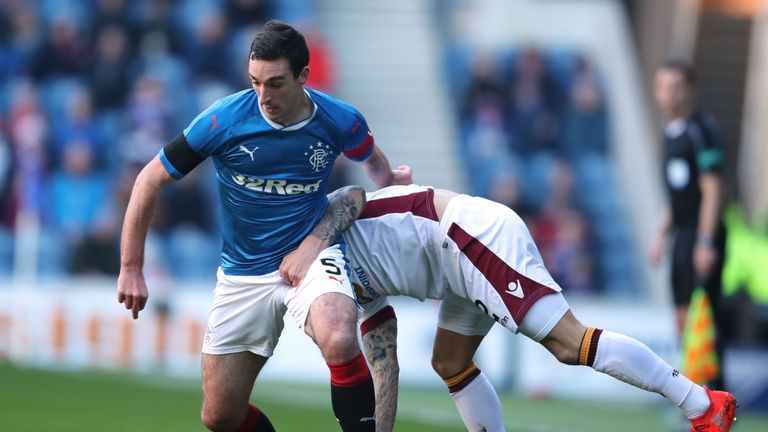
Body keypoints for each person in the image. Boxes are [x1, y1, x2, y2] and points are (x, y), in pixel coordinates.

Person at [117, 20, 410, 432]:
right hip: (242, 272)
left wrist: (392, 184)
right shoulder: (223, 121)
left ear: (303, 76)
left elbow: (375, 164)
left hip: (310, 253)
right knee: (220, 416)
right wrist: (131, 266)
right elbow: (149, 178)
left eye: (275, 83)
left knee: (339, 334)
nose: (263, 96)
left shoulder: (338, 119)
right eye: (254, 81)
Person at [292, 184, 737, 432]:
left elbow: (354, 193)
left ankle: (702, 404)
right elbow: (384, 365)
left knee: (567, 342)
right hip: (456, 267)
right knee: (449, 361)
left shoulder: (322, 231)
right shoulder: (334, 279)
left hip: (469, 237)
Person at [650, 61, 727, 389]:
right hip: (683, 235)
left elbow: (712, 188)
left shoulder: (701, 130)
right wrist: (661, 234)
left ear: (689, 92)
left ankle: (716, 399)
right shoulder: (670, 133)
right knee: (682, 318)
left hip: (701, 235)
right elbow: (678, 195)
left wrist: (705, 242)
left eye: (675, 87)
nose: (667, 95)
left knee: (702, 321)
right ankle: (693, 396)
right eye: (662, 87)